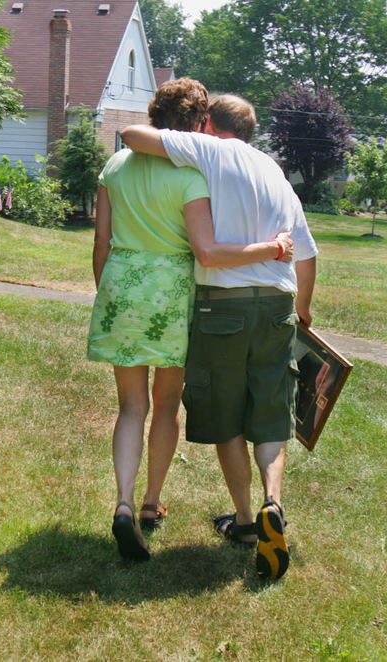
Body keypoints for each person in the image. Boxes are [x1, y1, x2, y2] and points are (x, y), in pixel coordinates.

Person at [88, 79, 295, 562]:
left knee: (129, 408)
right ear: (200, 122)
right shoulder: (190, 174)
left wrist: (110, 292)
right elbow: (204, 246)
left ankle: (121, 502)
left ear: (153, 110)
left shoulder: (114, 166)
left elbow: (101, 243)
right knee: (166, 408)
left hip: (122, 287)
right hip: (175, 297)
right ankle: (150, 503)